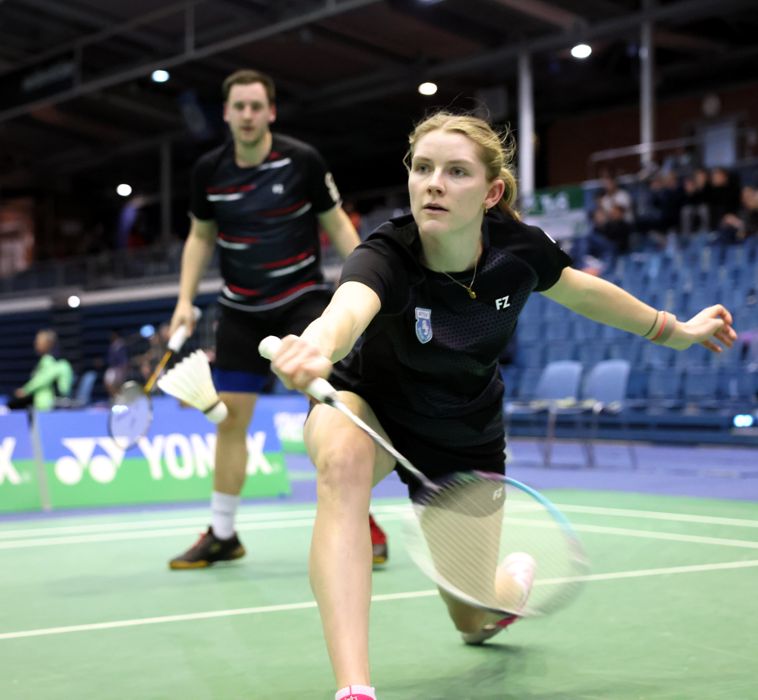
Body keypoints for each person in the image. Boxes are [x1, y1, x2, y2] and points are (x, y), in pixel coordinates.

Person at [266, 111, 737, 700]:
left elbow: (589, 294)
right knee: (341, 463)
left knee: (474, 620)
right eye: (424, 167)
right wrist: (315, 346)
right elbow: (347, 310)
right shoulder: (385, 252)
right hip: (373, 408)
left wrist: (677, 330)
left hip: (463, 434)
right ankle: (354, 687)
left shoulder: (518, 251)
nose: (433, 183)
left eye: (456, 172)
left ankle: (505, 587)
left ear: (491, 192)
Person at [167, 69, 388, 570]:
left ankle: (363, 519)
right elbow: (200, 237)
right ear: (226, 113)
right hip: (240, 311)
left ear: (271, 111)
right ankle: (223, 534)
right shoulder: (208, 171)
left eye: (255, 106)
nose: (247, 115)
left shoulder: (302, 161)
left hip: (301, 303)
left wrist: (369, 290)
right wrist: (184, 299)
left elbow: (337, 225)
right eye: (238, 106)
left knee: (333, 412)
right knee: (231, 421)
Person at [8, 329, 73, 412]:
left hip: (47, 405)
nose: (35, 343)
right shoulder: (57, 360)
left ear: (48, 343)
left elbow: (42, 379)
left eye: (38, 341)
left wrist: (25, 390)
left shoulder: (49, 360)